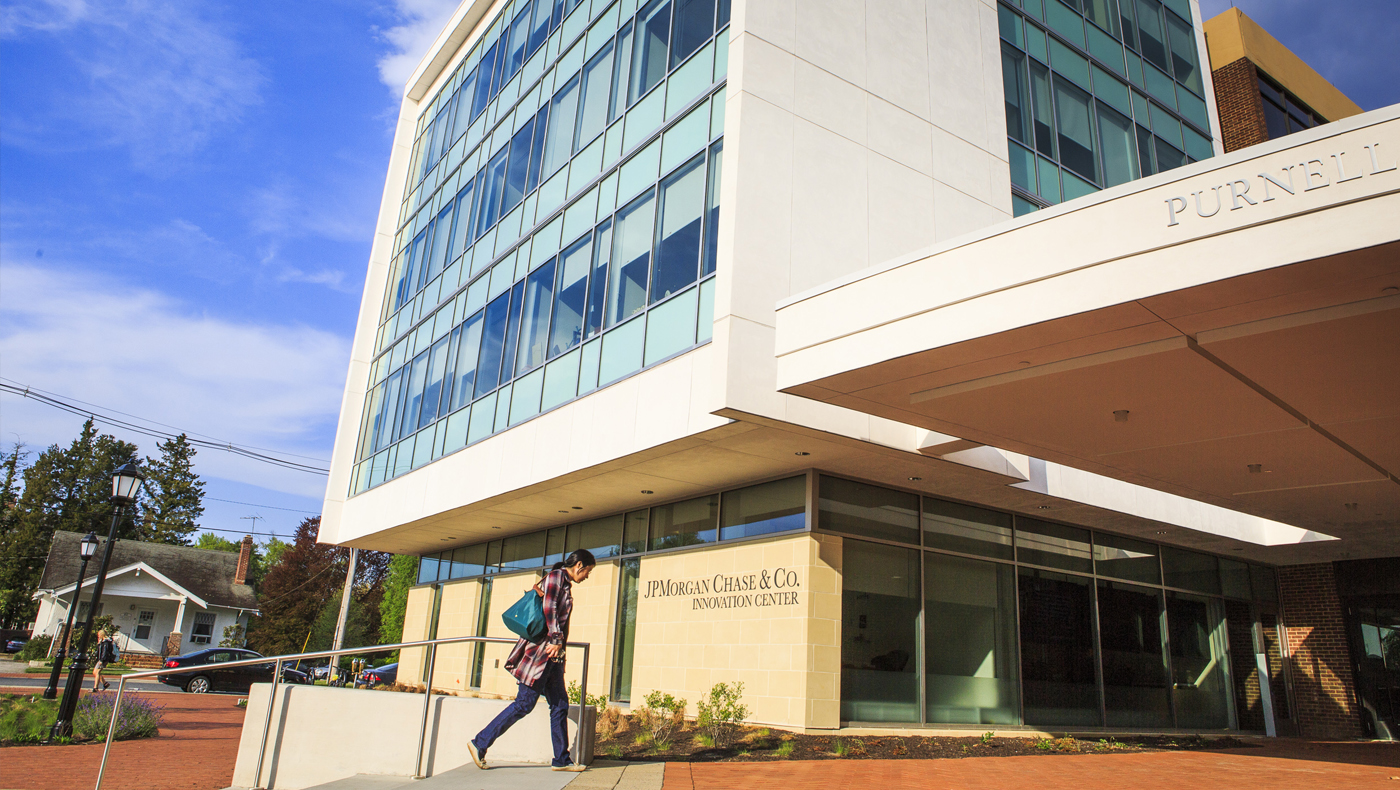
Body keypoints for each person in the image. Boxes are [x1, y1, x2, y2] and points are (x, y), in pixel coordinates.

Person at [467, 548, 596, 772]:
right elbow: (549, 608)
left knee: (559, 704)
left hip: (552, 657)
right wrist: (556, 639)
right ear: (579, 566)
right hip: (541, 654)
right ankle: (480, 743)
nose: (587, 577)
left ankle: (561, 760)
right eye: (588, 572)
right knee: (524, 704)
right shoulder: (557, 577)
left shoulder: (563, 582)